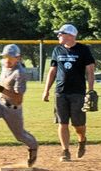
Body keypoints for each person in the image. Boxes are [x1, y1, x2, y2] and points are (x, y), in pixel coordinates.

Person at [40, 23, 97, 161]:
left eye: (61, 33)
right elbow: (52, 71)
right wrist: (46, 90)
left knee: (78, 125)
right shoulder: (57, 50)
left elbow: (90, 71)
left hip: (78, 92)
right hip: (60, 92)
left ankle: (82, 140)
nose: (58, 35)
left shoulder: (83, 50)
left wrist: (90, 90)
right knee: (62, 123)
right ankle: (65, 151)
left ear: (70, 35)